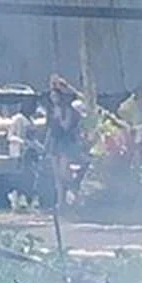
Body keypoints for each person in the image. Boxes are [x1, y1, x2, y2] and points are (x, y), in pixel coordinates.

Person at [42, 74, 87, 205]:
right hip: (55, 142)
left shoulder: (67, 109)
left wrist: (59, 117)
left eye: (55, 96)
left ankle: (74, 191)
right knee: (56, 176)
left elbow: (66, 127)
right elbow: (49, 128)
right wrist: (45, 145)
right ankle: (60, 202)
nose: (53, 99)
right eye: (51, 97)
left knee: (63, 173)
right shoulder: (50, 110)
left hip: (65, 142)